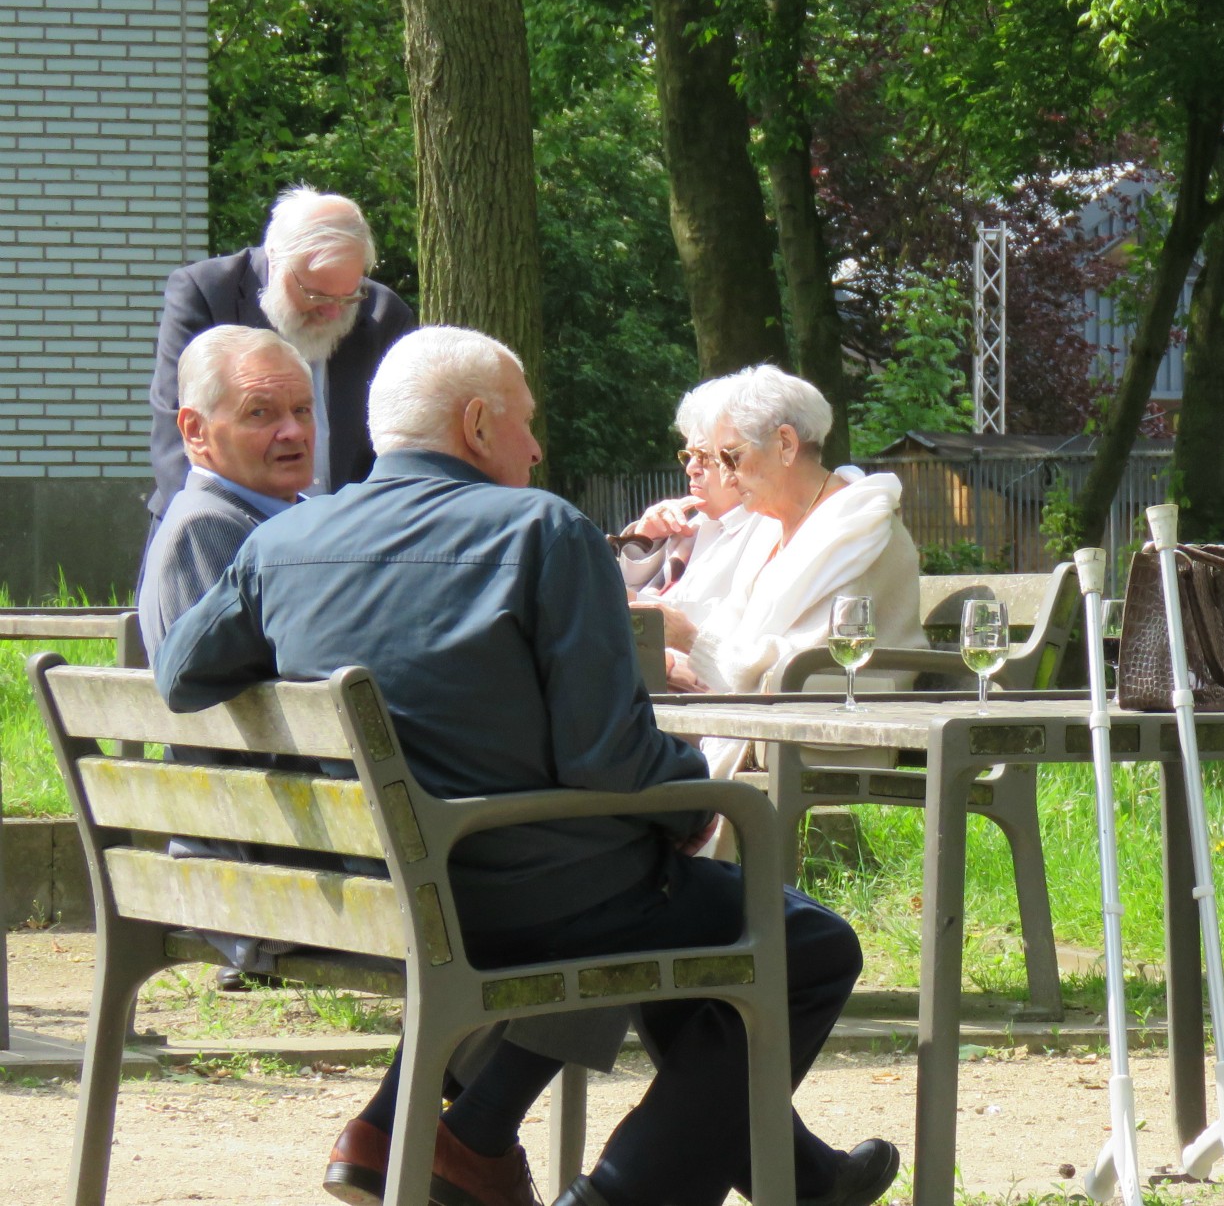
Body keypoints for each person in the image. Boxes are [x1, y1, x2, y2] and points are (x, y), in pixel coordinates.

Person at [155, 327, 898, 1206]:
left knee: (682, 917)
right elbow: (606, 756)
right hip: (520, 897)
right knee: (806, 944)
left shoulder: (287, 540)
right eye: (526, 421)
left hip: (372, 893)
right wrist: (693, 797)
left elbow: (180, 673)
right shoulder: (544, 531)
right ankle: (617, 1196)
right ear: (476, 424)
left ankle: (797, 1177)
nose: (537, 446)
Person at [137, 324, 318, 988]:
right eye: (261, 414)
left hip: (287, 848)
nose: (294, 432)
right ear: (194, 430)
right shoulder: (213, 530)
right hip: (268, 871)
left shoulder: (271, 520)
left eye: (303, 410)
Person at [639, 364, 925, 778]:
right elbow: (735, 645)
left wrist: (687, 638)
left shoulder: (854, 528)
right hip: (764, 729)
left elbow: (792, 671)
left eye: (730, 457)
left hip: (823, 739)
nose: (726, 477)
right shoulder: (773, 528)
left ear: (786, 444)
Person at [147, 185, 414, 529]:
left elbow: (400, 450)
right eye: (315, 294)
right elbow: (177, 436)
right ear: (274, 258)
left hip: (346, 543)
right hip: (217, 533)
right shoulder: (208, 294)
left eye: (348, 297)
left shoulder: (384, 315)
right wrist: (221, 531)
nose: (333, 312)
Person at [616, 376, 766, 691]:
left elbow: (711, 629)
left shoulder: (764, 529)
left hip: (690, 690)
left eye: (704, 458)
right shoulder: (689, 524)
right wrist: (644, 539)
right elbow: (623, 587)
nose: (691, 469)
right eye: (688, 456)